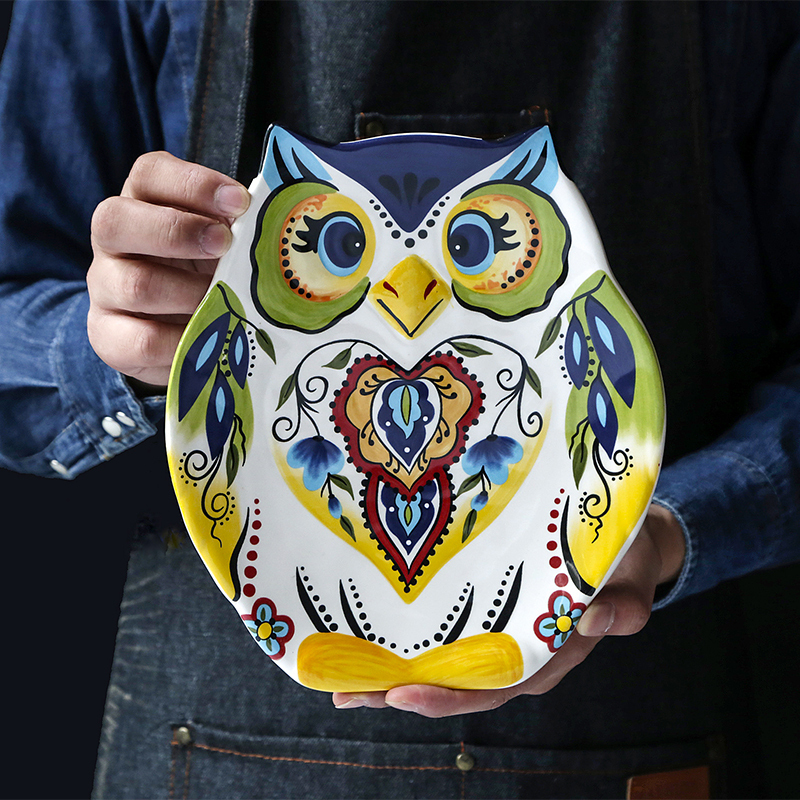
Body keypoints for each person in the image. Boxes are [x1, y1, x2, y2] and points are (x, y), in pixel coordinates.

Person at [1, 1, 798, 797]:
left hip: (646, 725)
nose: (409, 292)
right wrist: (129, 343)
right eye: (340, 242)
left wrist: (670, 529)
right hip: (207, 748)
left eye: (477, 242)